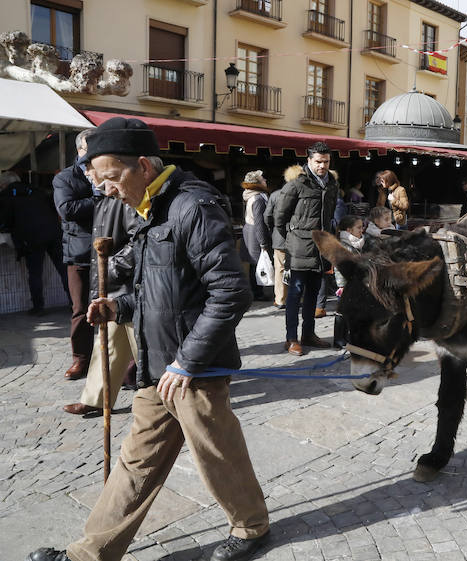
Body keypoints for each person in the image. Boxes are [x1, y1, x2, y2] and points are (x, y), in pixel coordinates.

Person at [27, 117, 269, 561]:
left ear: (141, 165)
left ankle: (251, 527)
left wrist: (187, 362)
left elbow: (232, 291)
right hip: (158, 364)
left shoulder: (191, 207)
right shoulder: (149, 210)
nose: (105, 190)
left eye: (111, 177)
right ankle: (89, 554)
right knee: (136, 463)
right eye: (98, 181)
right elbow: (156, 288)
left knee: (218, 457)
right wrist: (120, 306)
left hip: (194, 368)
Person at [63, 146, 141, 416]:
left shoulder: (124, 195)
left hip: (130, 287)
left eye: (89, 168)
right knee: (107, 345)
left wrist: (114, 267)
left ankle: (162, 396)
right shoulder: (103, 197)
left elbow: (139, 239)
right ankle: (96, 398)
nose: (86, 174)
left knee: (142, 345)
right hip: (113, 286)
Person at [274, 142, 338, 357]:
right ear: (309, 160)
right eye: (318, 161)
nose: (322, 166)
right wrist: (292, 241)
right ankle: (291, 338)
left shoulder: (332, 185)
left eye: (326, 162)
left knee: (313, 294)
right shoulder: (297, 184)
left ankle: (308, 334)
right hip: (299, 249)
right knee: (295, 294)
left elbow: (329, 218)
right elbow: (278, 217)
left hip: (321, 249)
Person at [53, 129, 96, 381]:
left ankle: (125, 365)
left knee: (117, 308)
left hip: (111, 252)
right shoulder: (64, 178)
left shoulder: (105, 172)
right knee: (80, 309)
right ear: (80, 150)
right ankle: (81, 360)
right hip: (79, 253)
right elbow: (67, 209)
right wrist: (99, 198)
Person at [0, 171, 67, 315]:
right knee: (64, 269)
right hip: (53, 232)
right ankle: (75, 303)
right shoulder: (36, 191)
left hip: (31, 238)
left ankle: (38, 308)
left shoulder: (5, 196)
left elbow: (4, 221)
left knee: (35, 273)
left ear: (4, 184)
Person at [332, 215, 365, 349]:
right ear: (349, 230)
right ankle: (339, 339)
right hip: (346, 284)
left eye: (362, 226)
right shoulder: (343, 245)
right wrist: (341, 285)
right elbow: (339, 268)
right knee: (342, 311)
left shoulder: (356, 242)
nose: (362, 230)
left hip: (355, 282)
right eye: (358, 227)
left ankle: (349, 337)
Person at [240, 170, 272, 302]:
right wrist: (263, 243)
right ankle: (257, 293)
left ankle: (256, 290)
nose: (265, 180)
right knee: (257, 262)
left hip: (249, 230)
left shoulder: (252, 195)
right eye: (262, 179)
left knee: (255, 263)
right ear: (257, 183)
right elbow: (259, 222)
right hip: (254, 232)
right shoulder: (258, 198)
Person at [264, 168, 292, 309]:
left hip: (279, 237)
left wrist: (272, 229)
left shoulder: (275, 195)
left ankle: (280, 299)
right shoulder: (303, 194)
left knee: (280, 268)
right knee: (296, 268)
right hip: (297, 238)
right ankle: (294, 298)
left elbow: (267, 216)